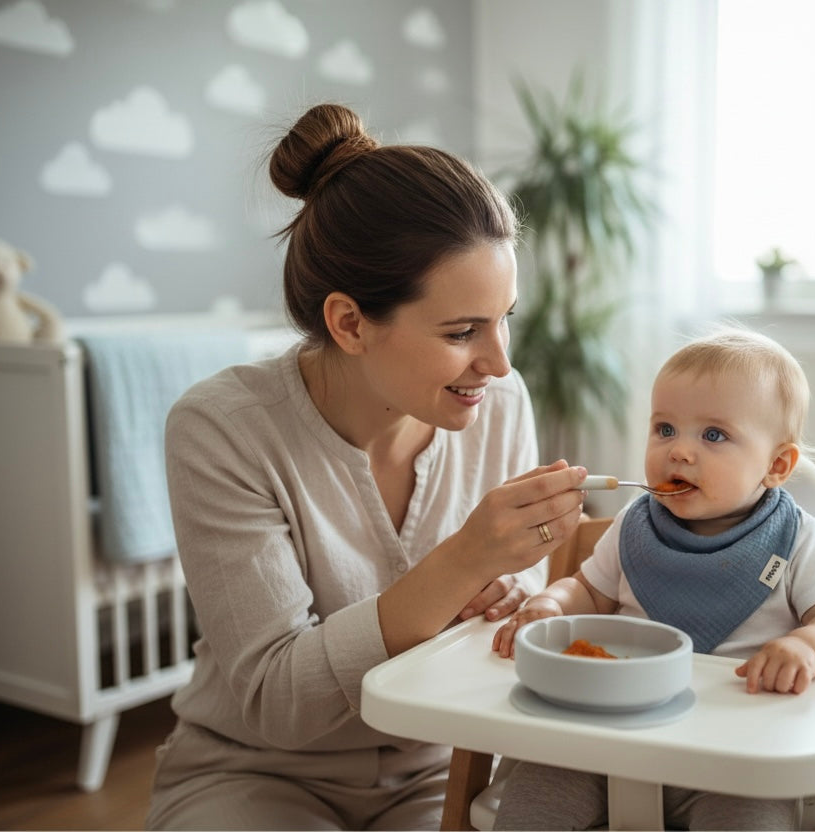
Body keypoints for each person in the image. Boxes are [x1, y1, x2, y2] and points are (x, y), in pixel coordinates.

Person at [144, 103, 589, 831]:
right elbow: (277, 700)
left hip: (443, 766)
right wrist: (460, 567)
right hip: (255, 771)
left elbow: (511, 608)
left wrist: (518, 598)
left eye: (504, 317)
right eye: (460, 331)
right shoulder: (223, 430)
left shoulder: (500, 404)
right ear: (349, 323)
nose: (499, 361)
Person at [490, 325, 815, 831]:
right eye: (665, 429)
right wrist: (552, 604)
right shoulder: (634, 523)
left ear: (776, 465)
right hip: (608, 736)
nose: (679, 451)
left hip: (736, 757)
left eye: (713, 435)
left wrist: (807, 647)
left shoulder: (794, 539)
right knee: (534, 798)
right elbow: (588, 591)